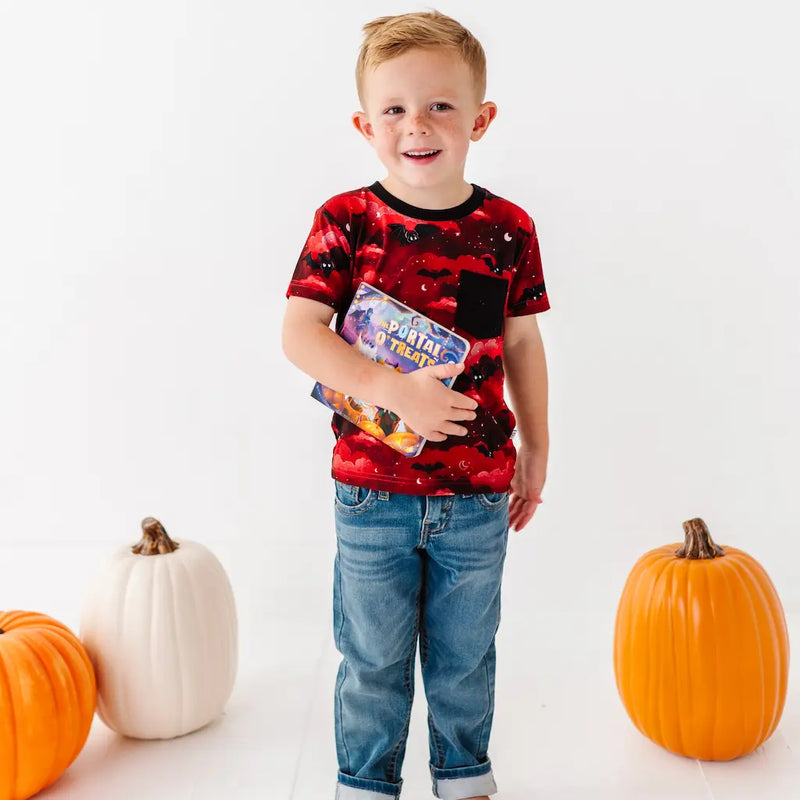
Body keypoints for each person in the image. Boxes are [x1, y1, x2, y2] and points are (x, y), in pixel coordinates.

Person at [282, 9, 550, 799]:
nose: (417, 126)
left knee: (466, 656)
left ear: (481, 119)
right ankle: (364, 784)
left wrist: (537, 450)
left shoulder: (506, 229)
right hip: (371, 495)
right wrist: (394, 390)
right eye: (395, 109)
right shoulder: (347, 221)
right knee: (372, 659)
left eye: (439, 105)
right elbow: (302, 333)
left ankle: (464, 778)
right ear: (366, 124)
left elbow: (524, 346)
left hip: (475, 497)